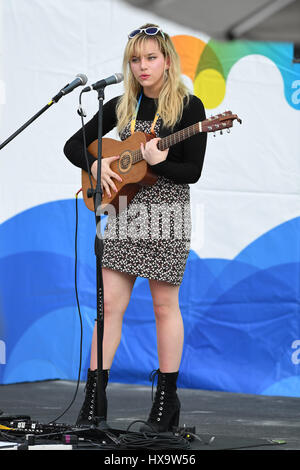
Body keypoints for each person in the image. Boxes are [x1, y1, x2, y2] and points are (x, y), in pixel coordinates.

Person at [64, 23, 207, 433]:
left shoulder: (189, 107)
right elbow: (73, 145)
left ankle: (166, 403)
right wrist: (95, 163)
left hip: (165, 214)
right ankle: (94, 401)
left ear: (167, 59)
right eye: (135, 59)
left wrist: (160, 162)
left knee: (164, 306)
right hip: (122, 210)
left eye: (150, 58)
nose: (142, 67)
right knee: (109, 309)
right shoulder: (122, 105)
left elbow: (191, 172)